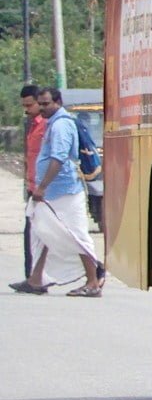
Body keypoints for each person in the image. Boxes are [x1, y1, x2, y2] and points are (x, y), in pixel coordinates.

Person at [10, 87, 105, 297]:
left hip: (64, 191)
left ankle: (93, 281)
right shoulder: (52, 123)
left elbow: (59, 158)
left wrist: (42, 187)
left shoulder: (61, 125)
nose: (42, 108)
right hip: (53, 192)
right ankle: (36, 279)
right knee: (43, 231)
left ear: (58, 102)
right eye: (41, 104)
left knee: (76, 235)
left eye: (46, 104)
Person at [19, 84, 44, 280]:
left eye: (30, 105)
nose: (27, 110)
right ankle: (32, 277)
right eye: (24, 106)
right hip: (33, 188)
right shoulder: (32, 125)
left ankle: (95, 269)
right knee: (32, 234)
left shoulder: (46, 125)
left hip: (45, 189)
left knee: (61, 235)